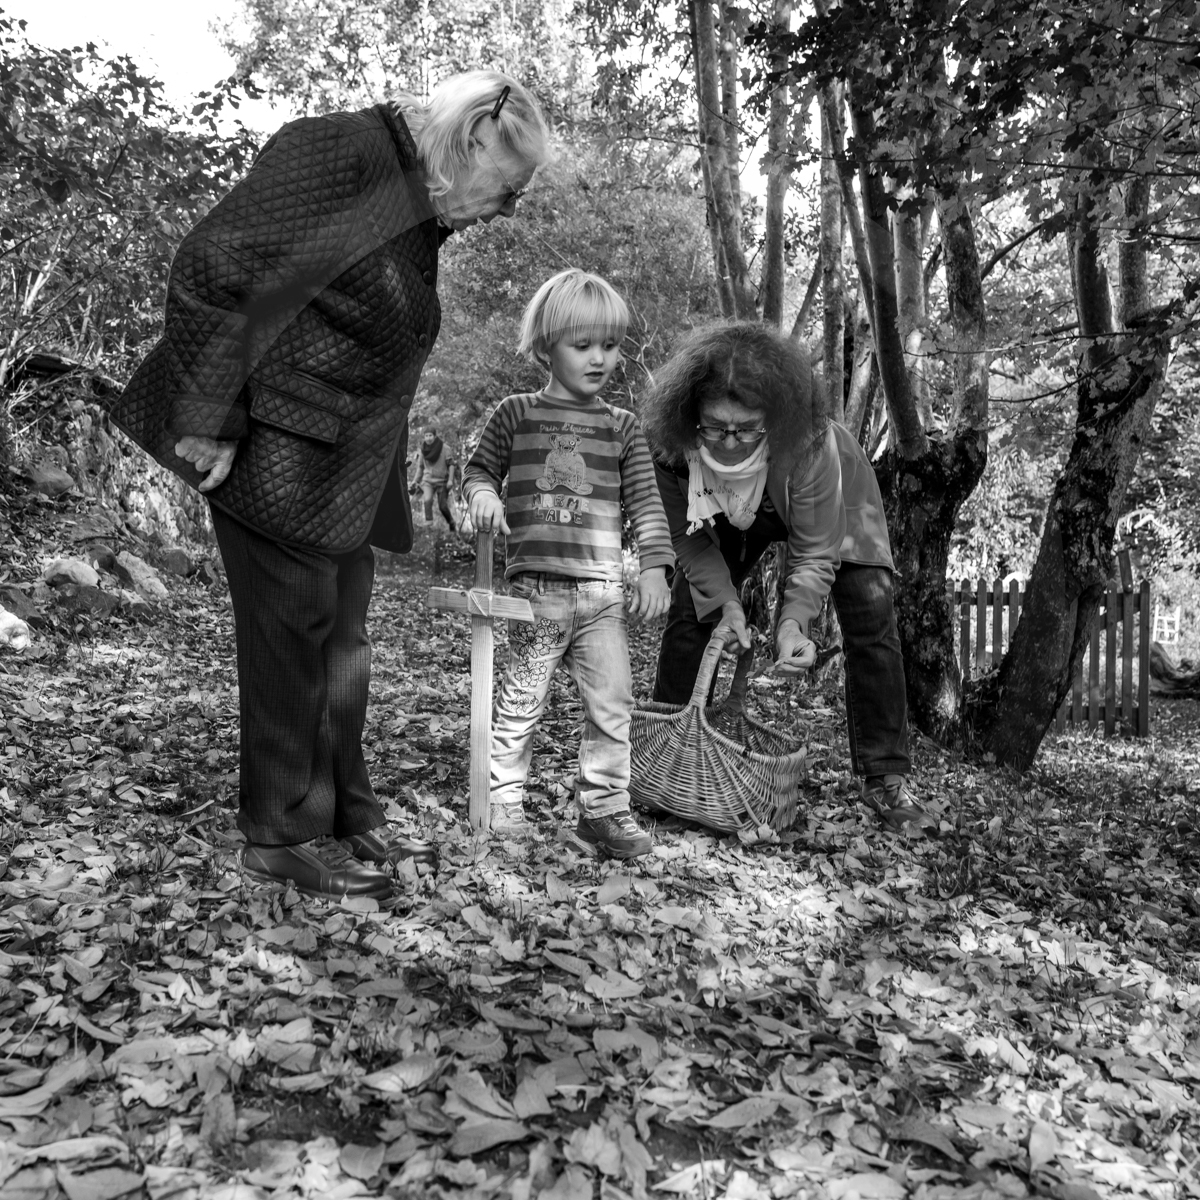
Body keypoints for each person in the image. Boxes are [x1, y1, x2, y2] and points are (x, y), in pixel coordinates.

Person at [109, 71, 551, 900]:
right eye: (511, 187)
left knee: (343, 639)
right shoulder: (341, 151)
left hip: (340, 467)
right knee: (292, 634)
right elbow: (216, 267)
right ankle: (283, 833)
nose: (508, 207)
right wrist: (209, 415)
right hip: (276, 448)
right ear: (475, 139)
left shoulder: (415, 199)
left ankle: (345, 808)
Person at [643, 323, 934, 832]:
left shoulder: (809, 443)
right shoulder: (670, 448)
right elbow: (687, 542)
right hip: (721, 512)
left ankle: (885, 778)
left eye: (746, 428)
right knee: (693, 606)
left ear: (775, 419)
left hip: (836, 499)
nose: (729, 442)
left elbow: (815, 552)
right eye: (714, 427)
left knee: (872, 620)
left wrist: (793, 624)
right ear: (690, 416)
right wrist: (727, 606)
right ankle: (670, 757)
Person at [462, 269, 673, 858]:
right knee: (521, 699)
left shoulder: (622, 428)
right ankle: (502, 803)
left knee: (613, 704)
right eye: (583, 345)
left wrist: (654, 567)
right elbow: (479, 470)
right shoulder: (517, 414)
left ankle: (603, 811)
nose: (599, 358)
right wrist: (484, 495)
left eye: (610, 345)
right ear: (546, 346)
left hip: (603, 595)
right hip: (536, 593)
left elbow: (645, 502)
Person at [412, 428, 458, 528]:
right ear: (424, 437)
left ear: (435, 436)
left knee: (443, 506)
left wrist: (450, 480)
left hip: (443, 481)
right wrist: (415, 481)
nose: (428, 438)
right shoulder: (423, 450)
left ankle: (451, 522)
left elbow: (451, 465)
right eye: (426, 436)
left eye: (430, 435)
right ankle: (429, 523)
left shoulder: (445, 448)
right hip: (428, 480)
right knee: (427, 499)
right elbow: (420, 467)